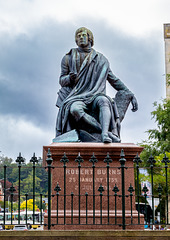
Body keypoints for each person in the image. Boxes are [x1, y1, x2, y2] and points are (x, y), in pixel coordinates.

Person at [55, 27, 138, 143]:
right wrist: (69, 78)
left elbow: (113, 79)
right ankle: (105, 131)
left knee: (104, 101)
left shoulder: (101, 59)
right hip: (77, 96)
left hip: (95, 94)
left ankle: (104, 134)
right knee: (75, 109)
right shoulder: (68, 58)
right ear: (76, 40)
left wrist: (130, 93)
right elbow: (62, 80)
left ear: (90, 38)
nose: (81, 37)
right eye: (78, 36)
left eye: (84, 35)